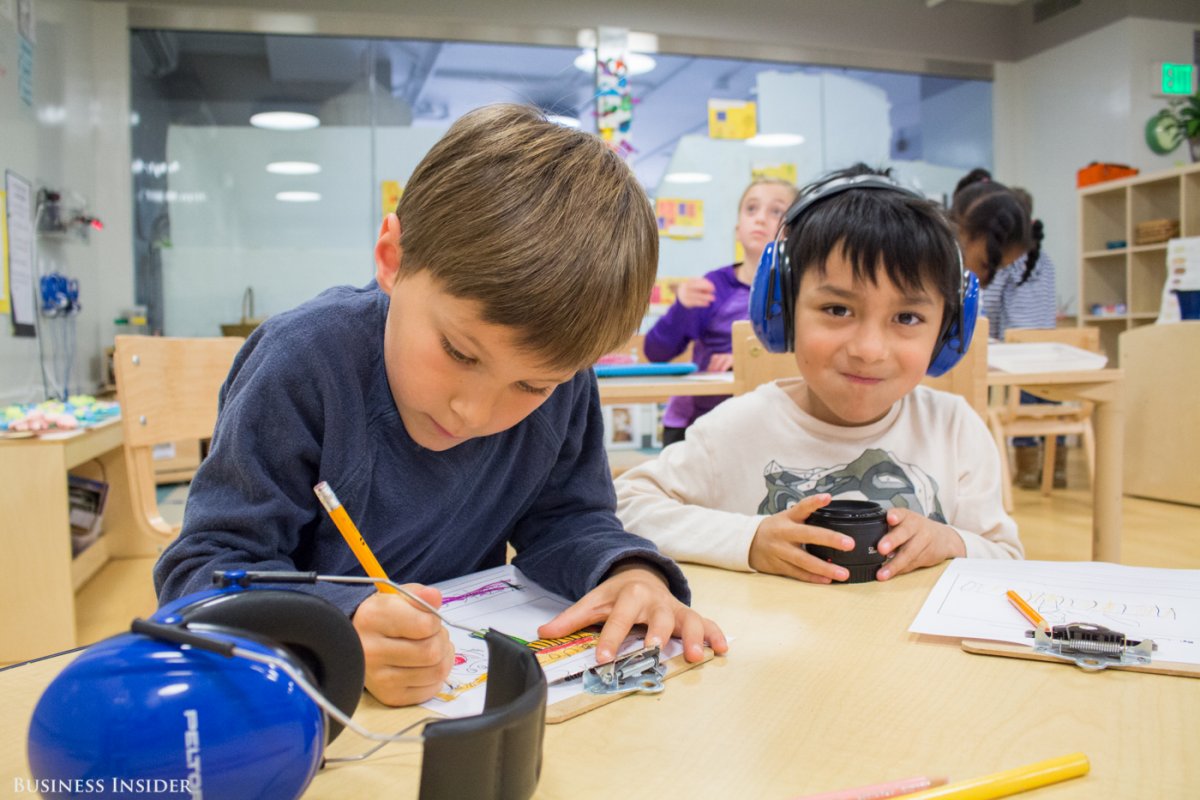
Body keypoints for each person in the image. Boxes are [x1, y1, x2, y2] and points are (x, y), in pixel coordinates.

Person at [154, 104, 727, 707]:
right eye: (458, 351)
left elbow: (568, 521)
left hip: (452, 702)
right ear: (392, 258)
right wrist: (336, 628)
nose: (473, 412)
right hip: (303, 712)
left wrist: (626, 574)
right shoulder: (304, 362)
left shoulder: (565, 385)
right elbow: (203, 572)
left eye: (531, 387)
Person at [614, 165, 1022, 584]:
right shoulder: (737, 428)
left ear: (947, 332)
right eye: (838, 310)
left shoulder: (954, 429)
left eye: (907, 316)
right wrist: (748, 539)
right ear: (784, 312)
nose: (868, 350)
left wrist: (953, 542)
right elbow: (627, 505)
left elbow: (1007, 556)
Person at [644, 177, 798, 445]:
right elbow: (656, 352)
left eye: (776, 211)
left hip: (772, 423)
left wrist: (748, 358)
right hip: (698, 426)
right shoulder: (713, 286)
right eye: (751, 209)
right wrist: (681, 308)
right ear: (738, 229)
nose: (760, 219)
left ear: (793, 232)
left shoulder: (802, 292)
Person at [972, 183, 1064, 488]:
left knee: (1019, 398)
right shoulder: (1043, 260)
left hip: (1015, 352)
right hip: (1050, 352)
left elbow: (992, 307)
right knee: (1050, 402)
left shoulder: (1004, 263)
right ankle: (1057, 466)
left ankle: (1026, 470)